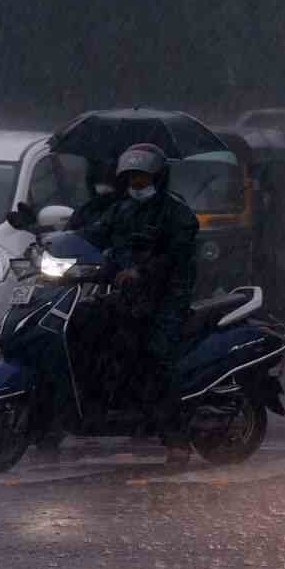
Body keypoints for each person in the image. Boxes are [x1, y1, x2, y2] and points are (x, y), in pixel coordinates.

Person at [79, 144, 200, 465]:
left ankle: (176, 437)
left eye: (143, 177)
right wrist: (47, 235)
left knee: (156, 355)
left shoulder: (177, 214)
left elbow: (175, 256)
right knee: (87, 329)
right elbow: (93, 234)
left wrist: (141, 271)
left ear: (159, 178)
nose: (137, 183)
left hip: (166, 298)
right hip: (127, 296)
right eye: (132, 177)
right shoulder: (121, 210)